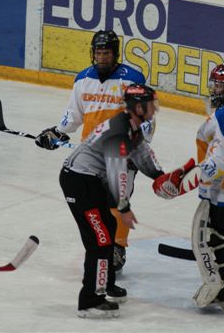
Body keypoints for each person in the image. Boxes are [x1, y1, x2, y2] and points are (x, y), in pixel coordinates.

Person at [152, 61, 224, 314]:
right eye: (214, 84)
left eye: (220, 86)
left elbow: (219, 163)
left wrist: (184, 183)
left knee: (216, 238)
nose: (215, 90)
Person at [59, 83, 181, 318]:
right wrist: (124, 207)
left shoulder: (131, 127)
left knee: (108, 228)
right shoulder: (118, 131)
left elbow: (142, 155)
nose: (154, 109)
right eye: (150, 105)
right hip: (79, 182)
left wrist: (159, 176)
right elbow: (117, 174)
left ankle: (106, 285)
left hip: (91, 181)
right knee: (100, 239)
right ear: (138, 108)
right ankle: (89, 301)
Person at [36, 29, 148, 273]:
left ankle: (117, 248)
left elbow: (145, 119)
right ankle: (100, 247)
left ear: (115, 54)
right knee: (95, 205)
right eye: (98, 53)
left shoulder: (132, 79)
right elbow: (73, 115)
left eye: (106, 53)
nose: (102, 57)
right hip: (91, 157)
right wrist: (57, 132)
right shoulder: (83, 79)